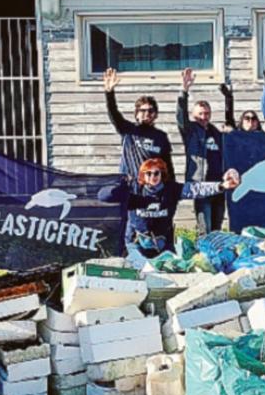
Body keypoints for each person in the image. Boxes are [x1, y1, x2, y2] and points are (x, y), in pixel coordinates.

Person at [98, 158, 241, 264]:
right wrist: (119, 187)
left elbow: (195, 189)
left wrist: (221, 186)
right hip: (135, 244)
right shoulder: (134, 189)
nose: (153, 177)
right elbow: (103, 196)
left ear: (162, 174)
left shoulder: (171, 189)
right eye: (148, 174)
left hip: (163, 245)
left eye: (156, 173)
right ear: (142, 175)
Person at [177, 68, 227, 234]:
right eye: (200, 114)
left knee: (217, 226)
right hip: (200, 184)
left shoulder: (216, 132)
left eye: (206, 114)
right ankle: (202, 256)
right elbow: (180, 116)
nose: (204, 117)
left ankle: (216, 255)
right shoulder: (190, 130)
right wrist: (184, 91)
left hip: (218, 184)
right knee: (204, 227)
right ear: (194, 115)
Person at [103, 67, 174, 179]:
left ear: (155, 114)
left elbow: (167, 167)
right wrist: (109, 92)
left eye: (150, 111)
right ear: (136, 114)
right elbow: (113, 113)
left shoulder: (161, 137)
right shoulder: (128, 130)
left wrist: (171, 192)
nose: (147, 114)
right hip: (129, 187)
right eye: (143, 110)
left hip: (150, 189)